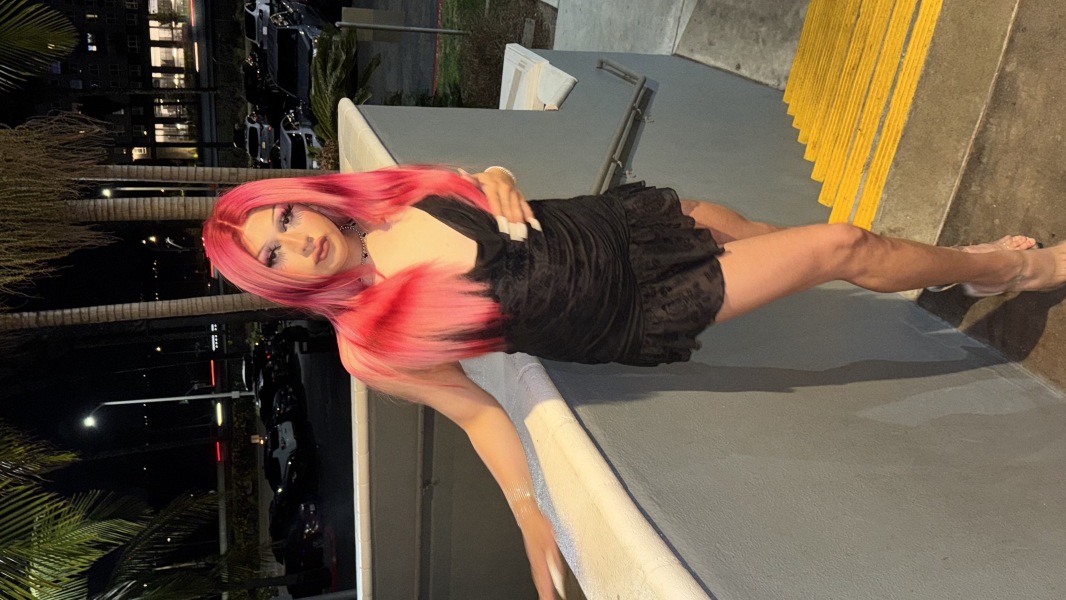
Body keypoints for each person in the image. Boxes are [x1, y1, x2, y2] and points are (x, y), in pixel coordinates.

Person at [203, 166, 1065, 599]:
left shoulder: (400, 195)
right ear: (277, 283)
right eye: (274, 254)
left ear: (303, 196)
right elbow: (478, 415)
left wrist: (495, 172)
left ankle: (957, 266)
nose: (299, 240)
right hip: (630, 306)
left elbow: (507, 202)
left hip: (621, 223)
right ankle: (1007, 269)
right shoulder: (372, 345)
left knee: (756, 230)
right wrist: (528, 507)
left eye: (286, 216)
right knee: (840, 246)